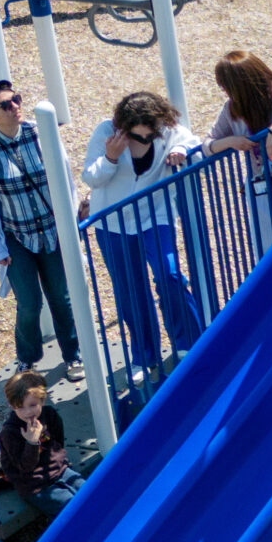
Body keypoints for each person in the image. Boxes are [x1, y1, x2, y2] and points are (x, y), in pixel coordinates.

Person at [81, 90, 205, 371]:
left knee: (169, 274)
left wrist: (182, 151)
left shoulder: (169, 130)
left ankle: (188, 342)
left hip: (154, 216)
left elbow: (192, 145)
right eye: (138, 137)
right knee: (130, 290)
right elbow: (90, 176)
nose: (145, 141)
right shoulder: (105, 132)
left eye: (150, 136)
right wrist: (111, 158)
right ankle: (145, 355)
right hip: (112, 223)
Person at [0, 78, 79, 374]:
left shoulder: (40, 133)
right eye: (5, 104)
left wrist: (72, 221)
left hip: (51, 231)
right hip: (17, 236)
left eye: (17, 99)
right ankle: (27, 358)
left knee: (62, 298)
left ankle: (73, 354)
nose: (15, 107)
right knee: (29, 303)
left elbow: (66, 179)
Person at [207, 49, 272, 251]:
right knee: (270, 253)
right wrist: (231, 141)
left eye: (226, 85)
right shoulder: (232, 108)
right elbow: (208, 145)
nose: (224, 90)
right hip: (261, 189)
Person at [0, 369, 81, 524]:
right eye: (20, 407)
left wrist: (60, 461)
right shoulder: (10, 432)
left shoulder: (49, 415)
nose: (27, 412)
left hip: (59, 470)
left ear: (42, 400)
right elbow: (25, 467)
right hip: (34, 484)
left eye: (32, 405)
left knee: (91, 493)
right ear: (12, 406)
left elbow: (58, 441)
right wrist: (32, 442)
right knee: (70, 510)